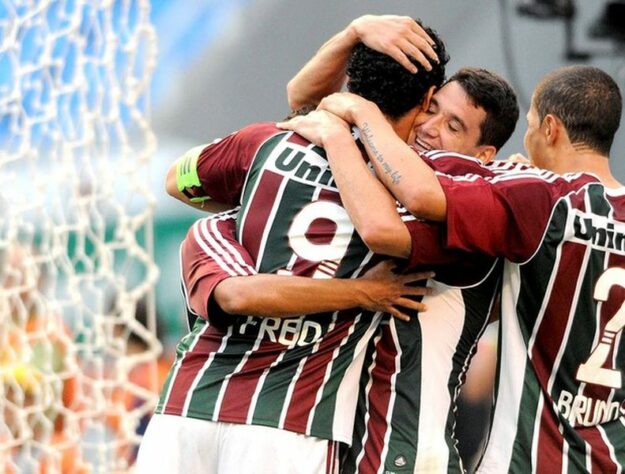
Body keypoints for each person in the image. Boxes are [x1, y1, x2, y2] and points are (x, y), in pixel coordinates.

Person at [137, 19, 450, 474]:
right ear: (425, 102)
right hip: (292, 424)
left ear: (353, 81)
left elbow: (179, 181)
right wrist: (366, 291)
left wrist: (244, 199)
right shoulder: (423, 194)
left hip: (189, 405)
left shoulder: (271, 140)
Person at [282, 64, 625, 472]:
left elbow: (412, 202)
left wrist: (358, 116)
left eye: (531, 126)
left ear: (549, 128)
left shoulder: (537, 195)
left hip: (520, 458)